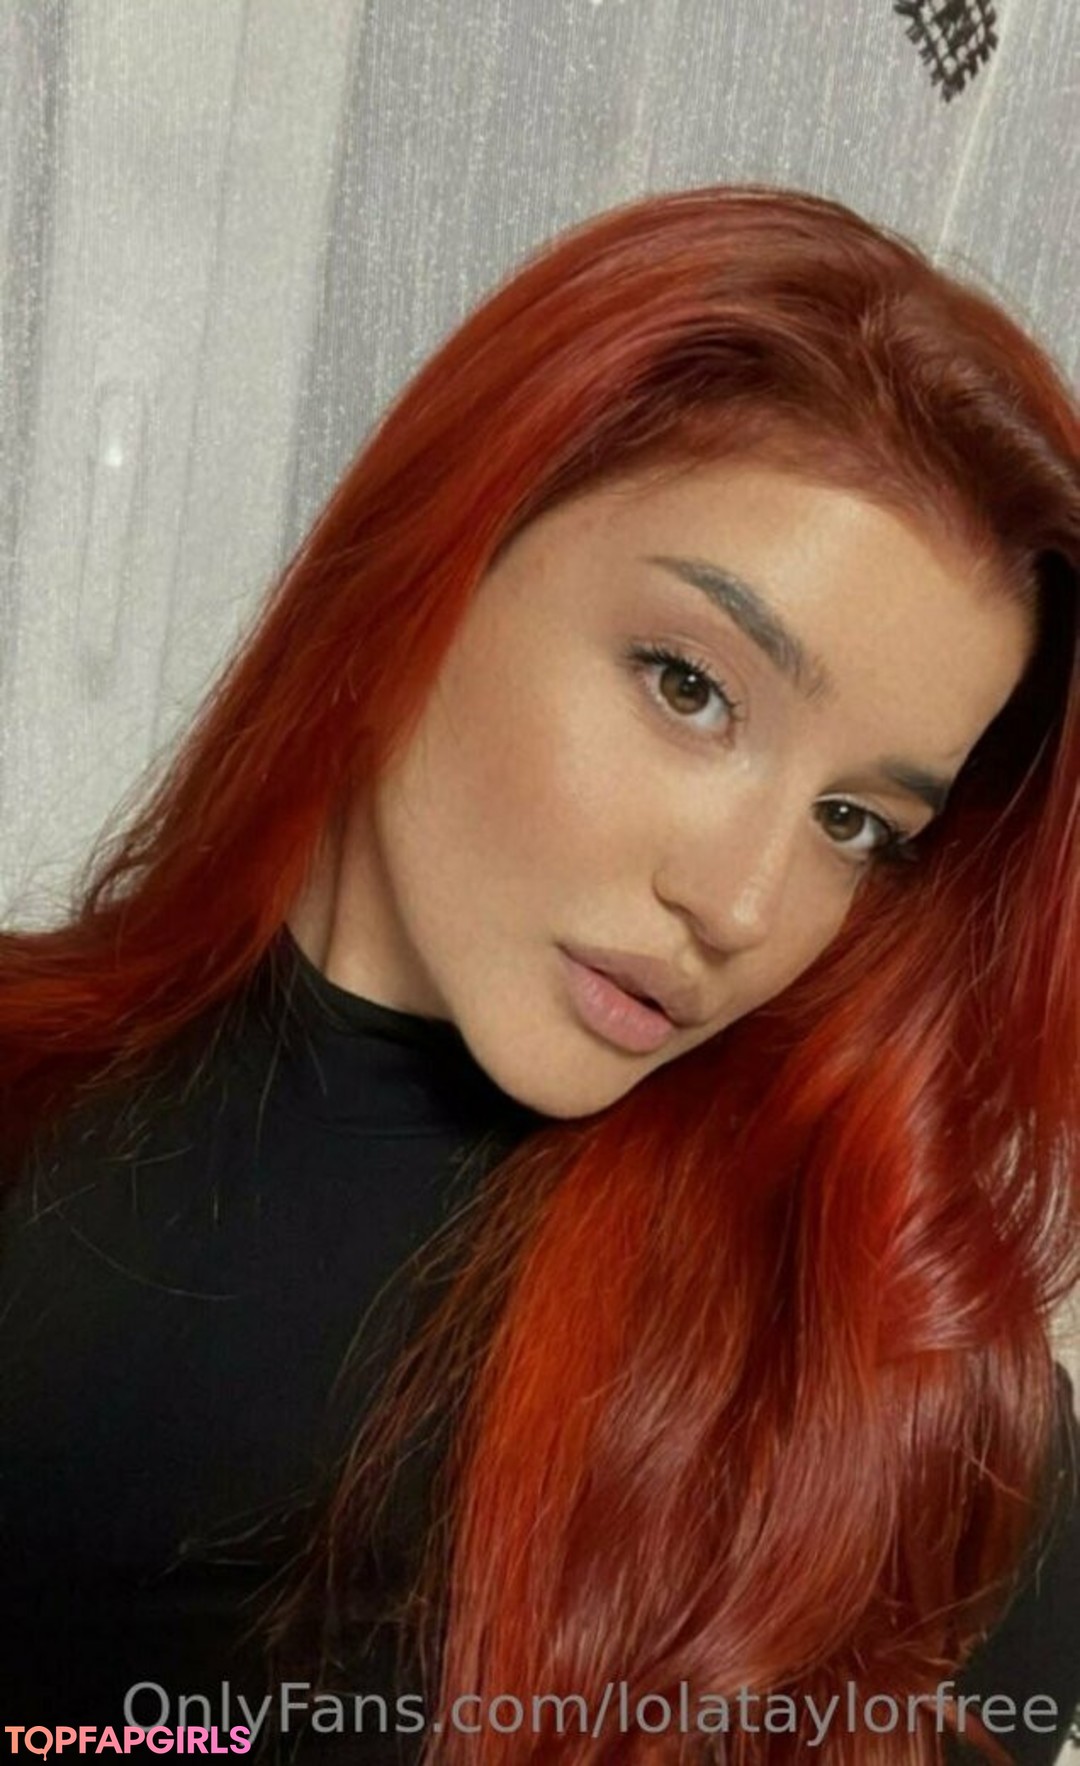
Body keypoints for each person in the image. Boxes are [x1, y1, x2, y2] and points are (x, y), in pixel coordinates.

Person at [1, 184, 1078, 1766]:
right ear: (434, 559)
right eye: (690, 686)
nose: (743, 903)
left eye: (858, 822)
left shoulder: (883, 1381)